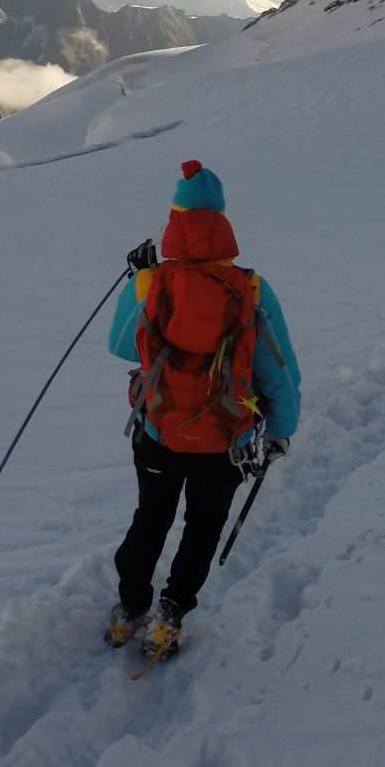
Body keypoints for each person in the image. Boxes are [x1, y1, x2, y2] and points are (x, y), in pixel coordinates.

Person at [107, 159, 301, 658]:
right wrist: (280, 429)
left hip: (159, 430)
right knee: (203, 525)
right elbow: (278, 370)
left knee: (151, 517)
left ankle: (130, 609)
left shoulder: (155, 282)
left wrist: (140, 279)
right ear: (222, 225)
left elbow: (122, 346)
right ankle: (170, 616)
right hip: (227, 438)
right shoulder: (251, 288)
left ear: (174, 223)